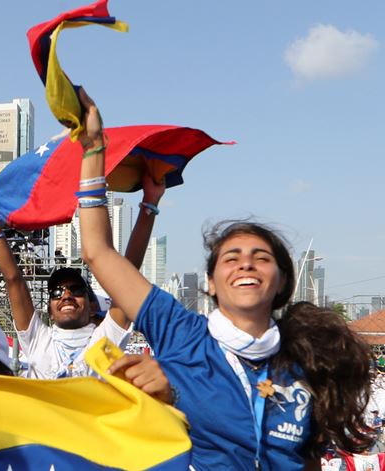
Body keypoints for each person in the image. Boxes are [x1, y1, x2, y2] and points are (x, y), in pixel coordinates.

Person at [74, 88, 373, 468]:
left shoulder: (304, 358)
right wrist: (94, 149)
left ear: (282, 281)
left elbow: (306, 459)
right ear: (211, 284)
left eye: (261, 258)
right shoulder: (179, 331)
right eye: (231, 258)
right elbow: (98, 252)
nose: (246, 264)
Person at [0, 178, 163, 381]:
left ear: (93, 306)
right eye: (56, 293)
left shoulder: (105, 339)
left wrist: (150, 203)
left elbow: (127, 277)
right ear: (49, 309)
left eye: (76, 290)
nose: (66, 295)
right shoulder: (37, 339)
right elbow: (13, 278)